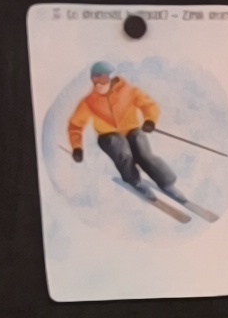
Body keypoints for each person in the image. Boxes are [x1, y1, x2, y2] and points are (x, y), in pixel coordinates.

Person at [66, 63, 189, 212]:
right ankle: (134, 181)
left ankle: (167, 183)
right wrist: (77, 147)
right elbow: (76, 125)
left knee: (143, 152)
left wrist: (150, 120)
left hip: (132, 130)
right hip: (108, 136)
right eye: (95, 80)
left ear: (111, 78)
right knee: (123, 151)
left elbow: (149, 105)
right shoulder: (90, 102)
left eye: (103, 80)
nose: (98, 84)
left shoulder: (129, 92)